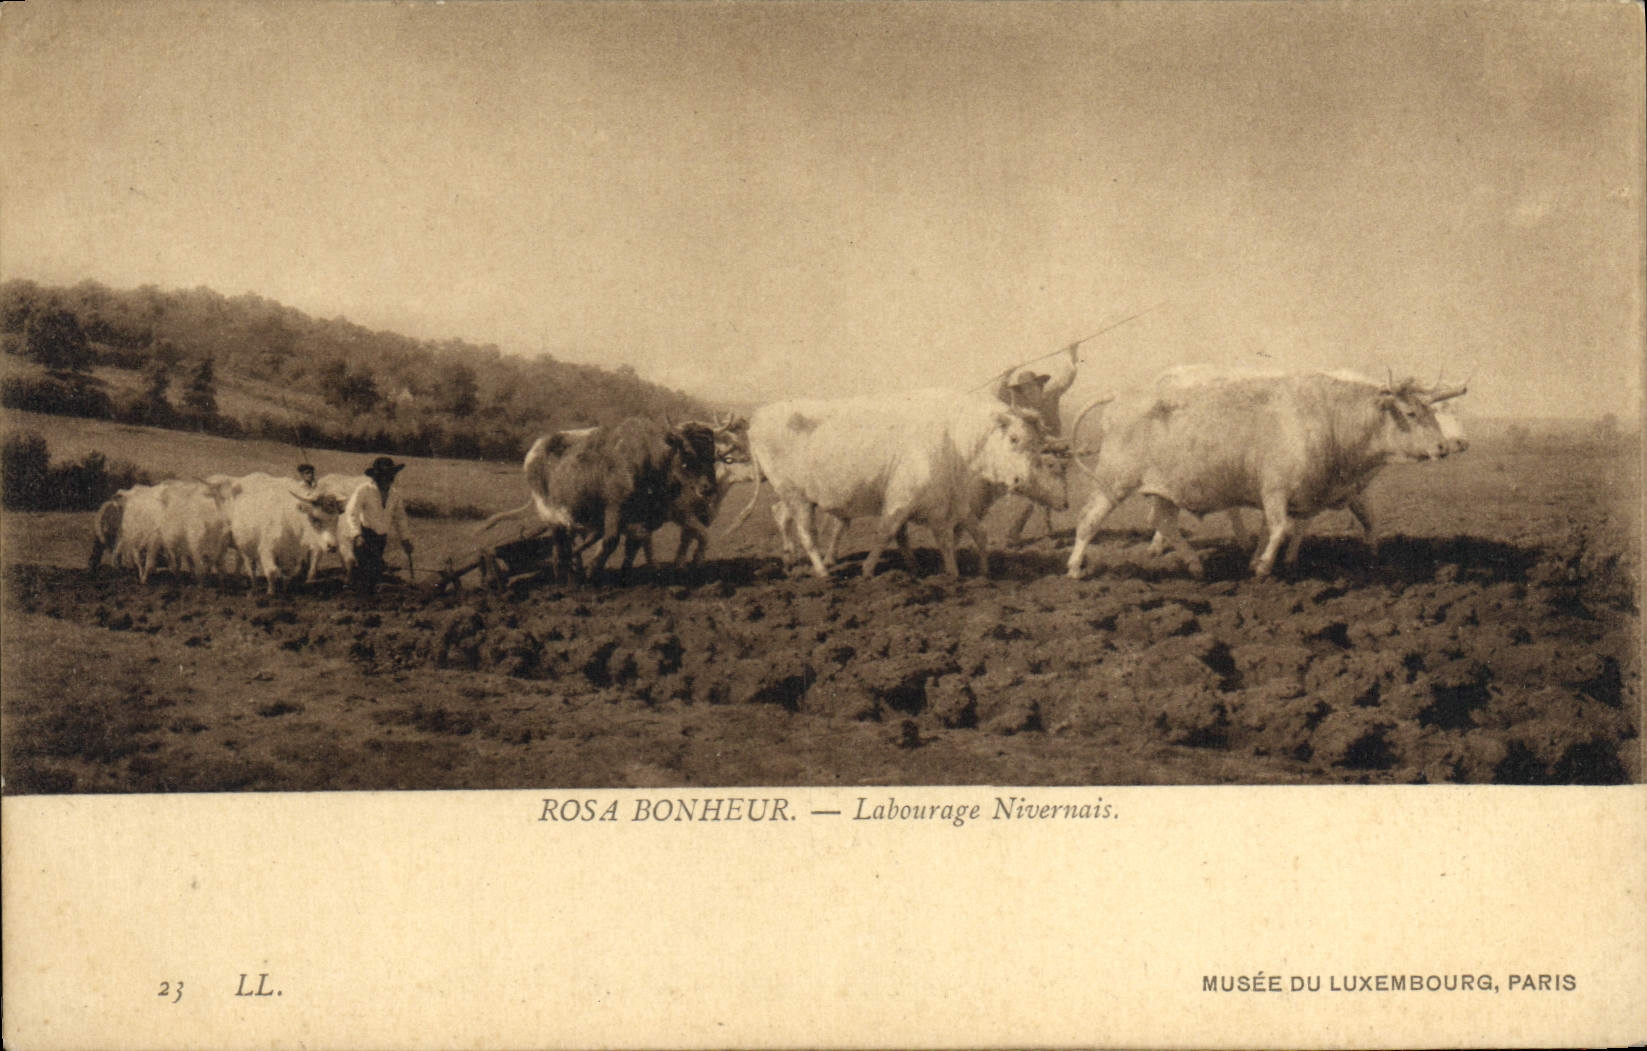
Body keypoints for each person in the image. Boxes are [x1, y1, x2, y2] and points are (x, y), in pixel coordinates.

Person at [992, 342, 1079, 544]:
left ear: (1039, 386)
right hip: (1035, 452)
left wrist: (1072, 354)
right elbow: (1000, 395)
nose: (1029, 391)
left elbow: (1067, 377)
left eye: (1032, 387)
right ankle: (1015, 531)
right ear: (1021, 392)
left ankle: (1044, 529)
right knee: (1037, 491)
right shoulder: (1021, 405)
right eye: (1024, 389)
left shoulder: (1051, 394)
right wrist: (1006, 375)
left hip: (1055, 448)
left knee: (1051, 491)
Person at [348, 456, 414, 592]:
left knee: (376, 571)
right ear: (376, 477)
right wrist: (356, 535)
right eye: (383, 476)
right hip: (365, 537)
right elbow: (351, 512)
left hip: (381, 538)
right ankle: (359, 598)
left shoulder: (395, 494)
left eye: (390, 476)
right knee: (366, 573)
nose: (387, 479)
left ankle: (372, 596)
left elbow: (400, 518)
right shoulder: (364, 490)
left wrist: (405, 539)